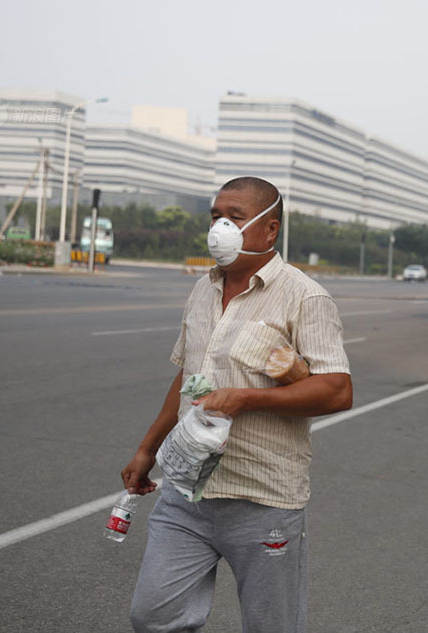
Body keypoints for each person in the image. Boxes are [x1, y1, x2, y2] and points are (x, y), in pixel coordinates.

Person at [123, 177, 353, 633]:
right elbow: (186, 376)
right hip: (187, 494)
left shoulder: (304, 296)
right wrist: (147, 448)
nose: (220, 227)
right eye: (215, 216)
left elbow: (337, 390)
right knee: (153, 617)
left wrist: (246, 398)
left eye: (236, 217)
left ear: (270, 230)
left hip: (263, 500)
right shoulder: (203, 288)